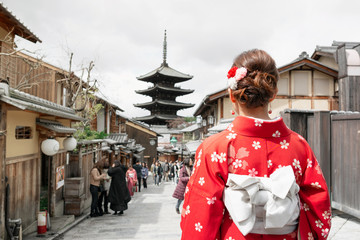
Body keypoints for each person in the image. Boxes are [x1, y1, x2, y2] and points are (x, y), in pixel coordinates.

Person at [180, 49, 331, 240]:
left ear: (231, 95)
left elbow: (199, 217)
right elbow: (319, 206)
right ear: (273, 93)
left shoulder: (214, 148)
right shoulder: (299, 146)